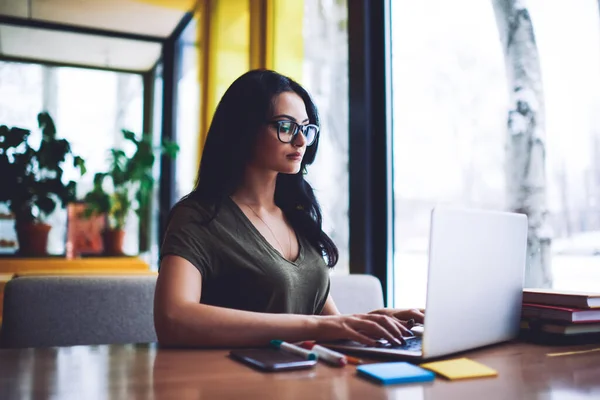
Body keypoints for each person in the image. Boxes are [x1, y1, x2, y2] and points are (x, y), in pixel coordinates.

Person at [154, 69, 423, 348]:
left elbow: (326, 324)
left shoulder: (298, 216)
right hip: (233, 380)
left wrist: (379, 320)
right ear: (243, 128)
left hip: (301, 378)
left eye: (306, 128)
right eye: (285, 127)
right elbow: (174, 318)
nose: (301, 141)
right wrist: (324, 326)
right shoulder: (198, 218)